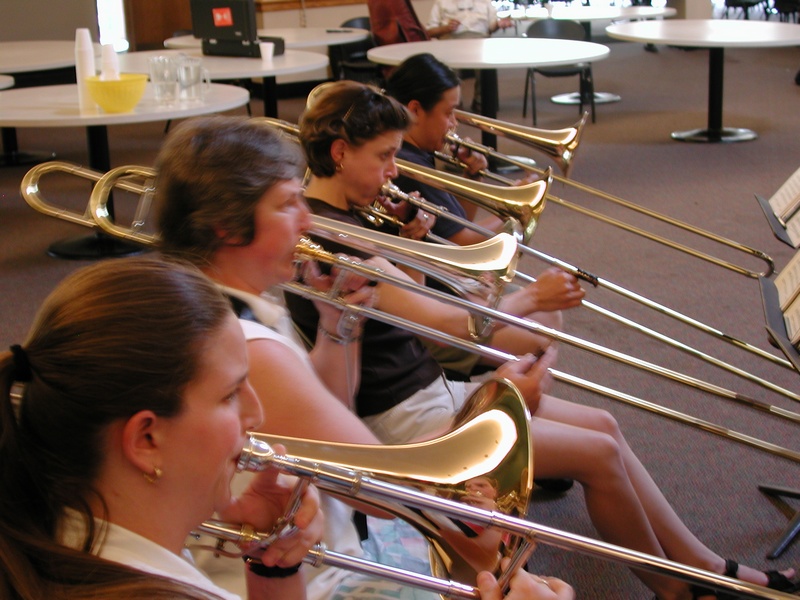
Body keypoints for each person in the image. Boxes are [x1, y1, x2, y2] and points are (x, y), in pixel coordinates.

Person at [291, 81, 799, 600]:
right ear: (340, 153)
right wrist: (533, 297)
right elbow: (450, 324)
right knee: (597, 453)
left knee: (604, 424)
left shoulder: (350, 216)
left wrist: (412, 241)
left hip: (431, 390)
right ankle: (679, 589)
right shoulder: (339, 239)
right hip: (409, 420)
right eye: (384, 156)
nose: (393, 172)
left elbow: (405, 311)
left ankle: (707, 566)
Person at [153, 116, 574, 600]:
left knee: (488, 550)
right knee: (511, 569)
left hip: (315, 541)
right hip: (311, 573)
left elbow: (325, 413)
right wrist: (490, 407)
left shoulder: (228, 307)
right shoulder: (248, 348)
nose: (307, 220)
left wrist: (338, 327)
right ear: (227, 226)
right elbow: (374, 488)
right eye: (288, 204)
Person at [0, 257, 324, 600]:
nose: (255, 414)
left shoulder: (45, 534)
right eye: (230, 394)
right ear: (147, 439)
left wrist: (272, 564)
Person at [382, 52, 584, 381]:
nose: (454, 124)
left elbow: (454, 223)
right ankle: (490, 399)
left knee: (550, 321)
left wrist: (472, 178)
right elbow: (466, 241)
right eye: (448, 113)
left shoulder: (417, 154)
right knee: (539, 337)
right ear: (415, 110)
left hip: (444, 282)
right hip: (436, 300)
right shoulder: (407, 165)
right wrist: (516, 213)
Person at [425, 0, 513, 113]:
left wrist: (498, 24)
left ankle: (480, 102)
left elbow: (492, 26)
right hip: (450, 42)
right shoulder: (441, 2)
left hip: (480, 41)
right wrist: (445, 28)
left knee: (486, 67)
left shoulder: (485, 2)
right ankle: (455, 104)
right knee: (449, 70)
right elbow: (429, 31)